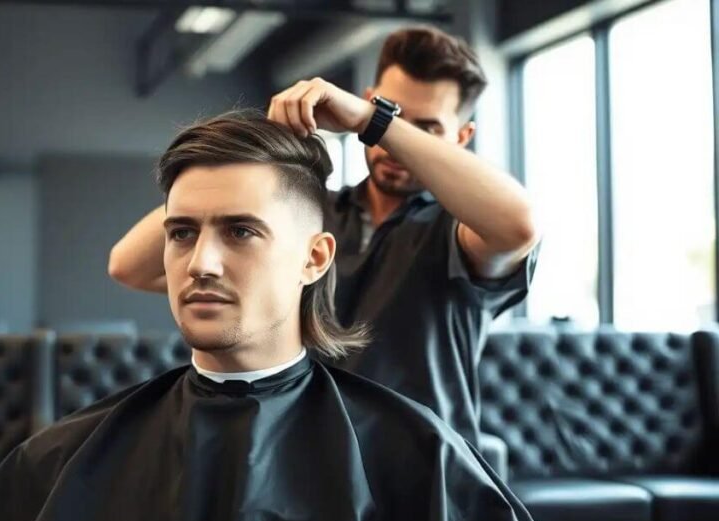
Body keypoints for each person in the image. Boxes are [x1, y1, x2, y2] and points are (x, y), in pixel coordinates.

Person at [0, 112, 542, 521]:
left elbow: (516, 224)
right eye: (182, 233)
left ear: (314, 258)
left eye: (241, 231)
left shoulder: (419, 457)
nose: (200, 262)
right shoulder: (63, 457)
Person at [108, 26, 540, 444]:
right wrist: (267, 141)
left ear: (461, 137)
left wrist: (376, 121)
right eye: (392, 110)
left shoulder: (459, 232)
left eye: (425, 128)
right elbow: (128, 266)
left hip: (420, 471)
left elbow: (517, 224)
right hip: (304, 461)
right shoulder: (309, 214)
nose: (391, 145)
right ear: (369, 98)